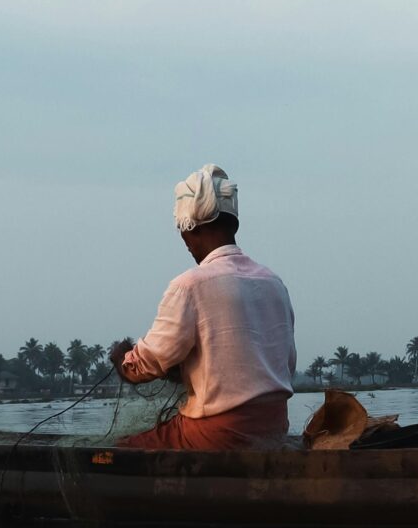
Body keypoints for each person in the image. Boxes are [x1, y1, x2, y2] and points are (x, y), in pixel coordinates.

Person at [106, 164, 297, 451]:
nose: (185, 244)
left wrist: (122, 357)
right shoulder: (274, 283)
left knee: (121, 449)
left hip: (217, 433)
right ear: (234, 224)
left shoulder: (189, 286)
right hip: (274, 427)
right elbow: (285, 365)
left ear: (189, 230)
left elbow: (148, 363)